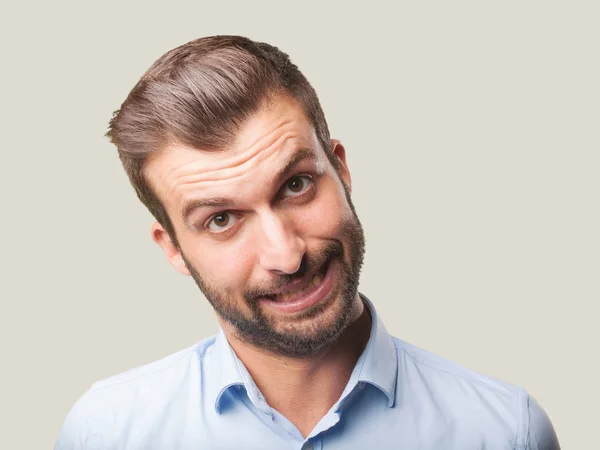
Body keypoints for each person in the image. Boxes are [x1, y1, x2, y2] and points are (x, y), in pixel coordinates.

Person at [55, 35, 560, 450]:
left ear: (340, 168)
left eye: (296, 185)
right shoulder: (105, 433)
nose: (287, 255)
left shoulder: (505, 432)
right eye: (222, 219)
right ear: (172, 248)